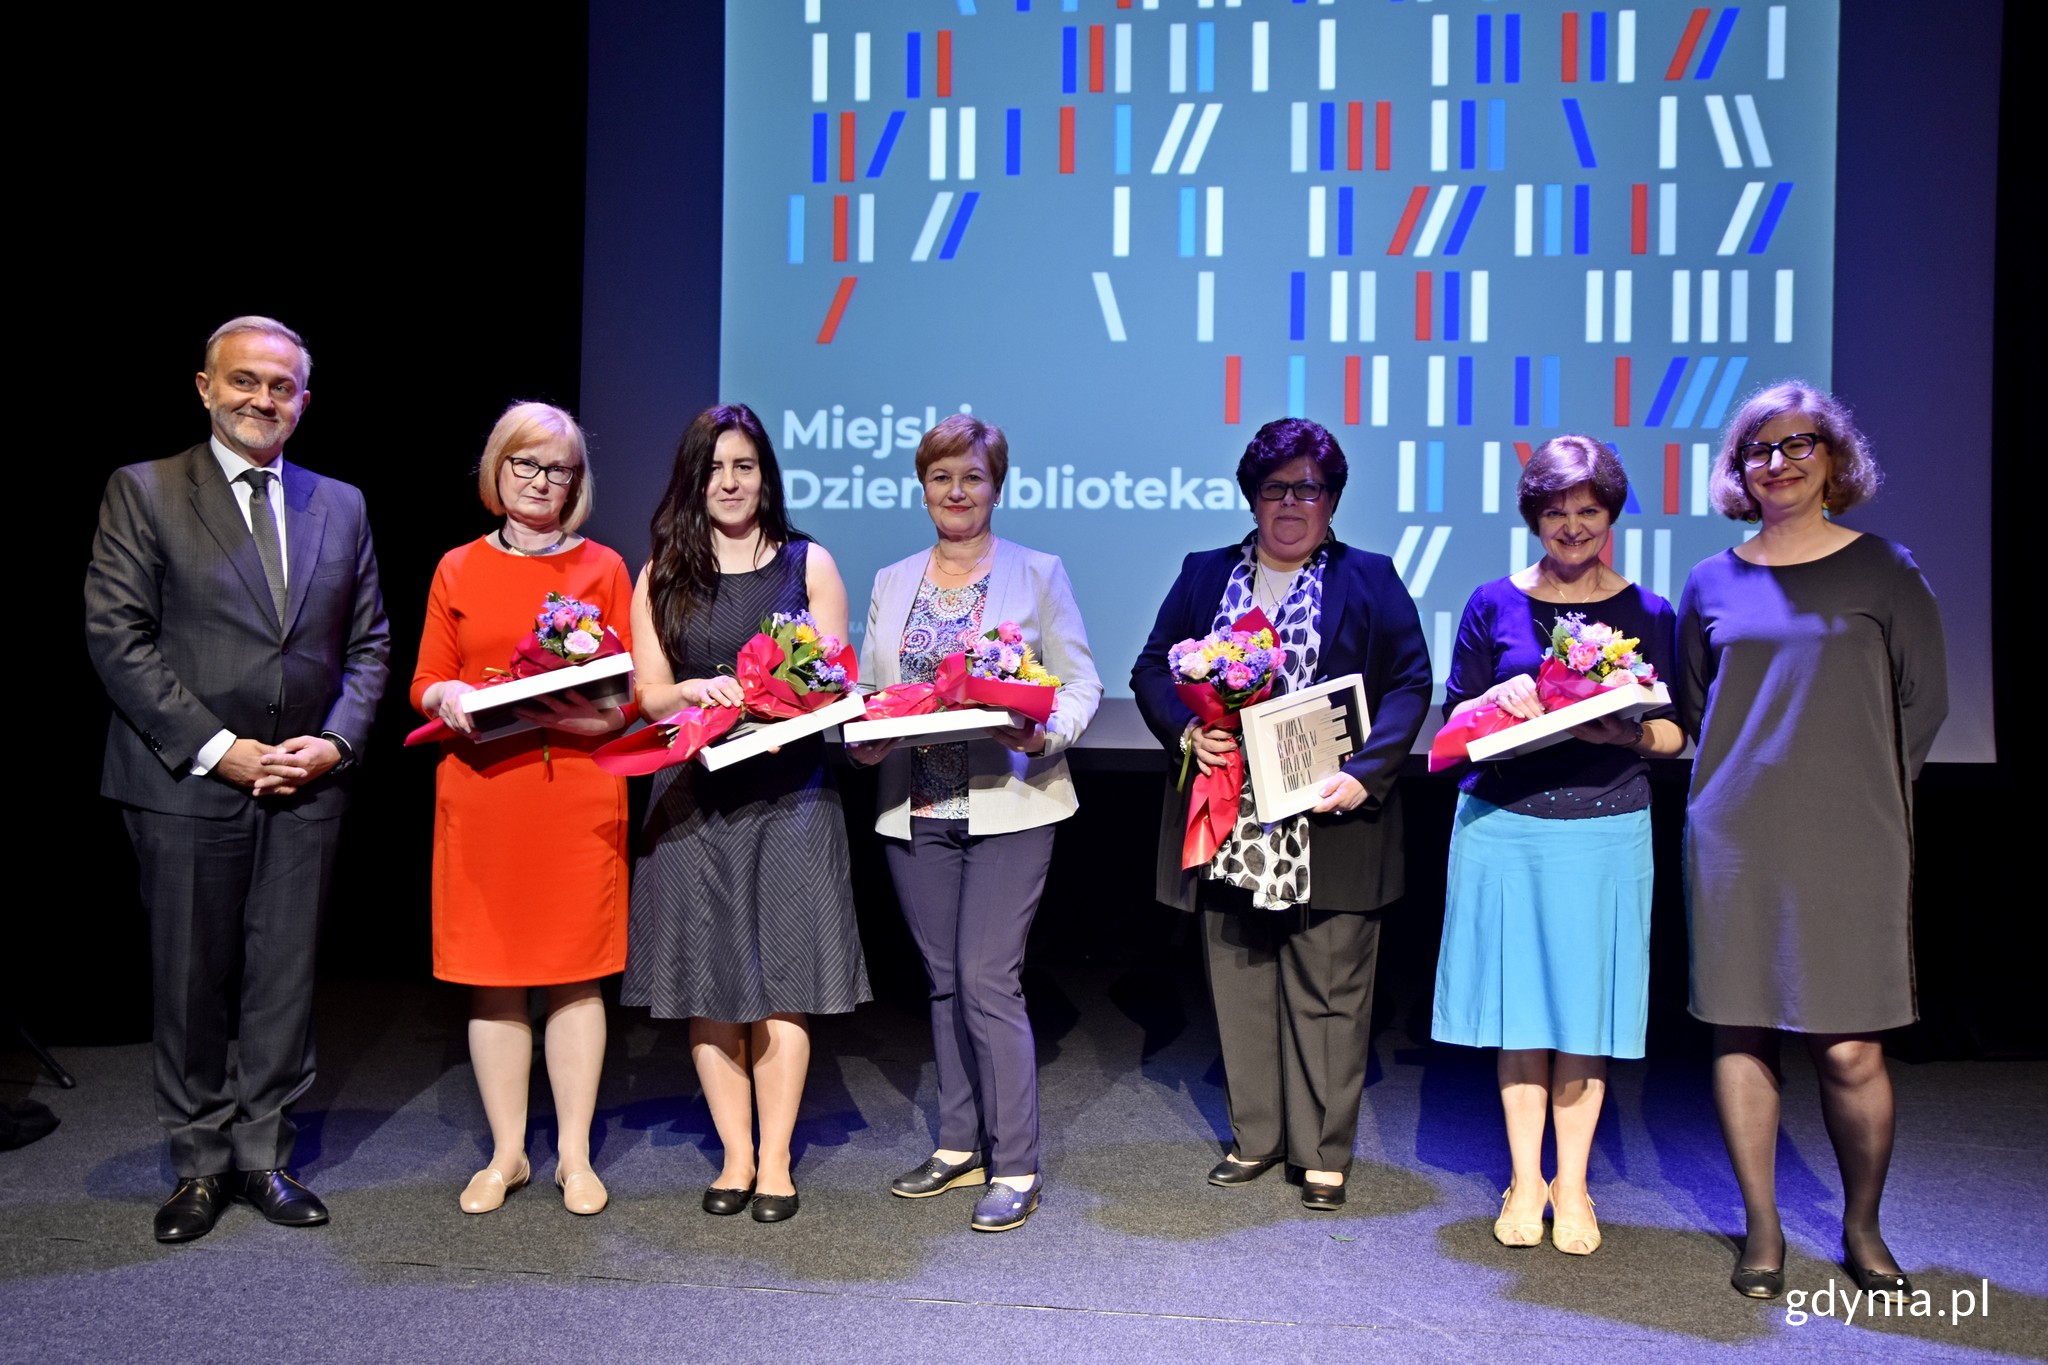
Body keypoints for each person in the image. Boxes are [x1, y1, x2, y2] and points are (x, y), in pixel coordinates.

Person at [84, 317, 390, 1242]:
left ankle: (263, 1154)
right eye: (245, 382)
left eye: (283, 386)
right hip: (186, 780)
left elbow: (369, 646)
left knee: (283, 981)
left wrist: (333, 745)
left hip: (305, 784)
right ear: (205, 387)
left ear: (305, 399)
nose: (264, 400)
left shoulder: (341, 503)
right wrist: (223, 747)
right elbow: (117, 638)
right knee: (189, 980)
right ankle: (198, 1163)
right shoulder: (144, 490)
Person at [1678, 381, 1947, 1300]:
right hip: (1735, 834)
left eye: (1800, 444)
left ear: (1834, 459)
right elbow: (1694, 702)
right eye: (1759, 447)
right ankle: (1762, 1231)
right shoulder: (1712, 580)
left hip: (1851, 834)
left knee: (1849, 1049)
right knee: (1742, 1033)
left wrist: (1866, 792)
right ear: (1738, 470)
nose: (1779, 460)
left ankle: (1862, 1227)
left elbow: (1925, 703)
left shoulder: (1885, 569)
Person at [1131, 417, 1431, 1210]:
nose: (1292, 503)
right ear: (1252, 497)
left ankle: (1323, 1150)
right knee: (1240, 980)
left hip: (1333, 818)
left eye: (1310, 489)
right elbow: (1152, 665)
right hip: (1230, 814)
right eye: (1276, 488)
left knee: (1330, 986)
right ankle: (1257, 1136)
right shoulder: (1206, 574)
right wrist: (1189, 729)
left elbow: (1410, 682)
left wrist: (1369, 773)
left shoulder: (1370, 577)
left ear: (1332, 501)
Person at [846, 415, 1101, 1233]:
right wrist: (859, 738)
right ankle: (958, 1145)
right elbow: (871, 688)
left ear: (998, 485)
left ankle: (1016, 1161)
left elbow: (1079, 684)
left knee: (989, 978)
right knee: (946, 980)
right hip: (916, 803)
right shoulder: (892, 578)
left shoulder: (1037, 573)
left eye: (972, 478)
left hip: (1011, 800)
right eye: (940, 478)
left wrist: (1042, 730)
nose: (956, 493)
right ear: (923, 487)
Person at [1430, 435, 1684, 1255]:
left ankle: (1572, 1182)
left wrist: (1628, 729)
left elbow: (1680, 733)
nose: (1571, 526)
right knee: (1520, 1011)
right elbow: (1454, 723)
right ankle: (1524, 1176)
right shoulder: (1491, 603)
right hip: (1504, 825)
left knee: (1586, 1011)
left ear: (1610, 514)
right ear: (1533, 516)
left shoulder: (1650, 612)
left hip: (1606, 827)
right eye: (1555, 511)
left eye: (1587, 510)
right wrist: (1498, 702)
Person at [621, 403, 871, 1224]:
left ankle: (775, 1160)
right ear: (693, 480)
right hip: (695, 797)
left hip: (790, 794)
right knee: (710, 985)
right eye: (714, 467)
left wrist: (779, 706)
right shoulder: (662, 569)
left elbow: (837, 684)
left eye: (745, 466)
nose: (730, 482)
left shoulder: (811, 562)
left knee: (783, 983)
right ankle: (732, 1154)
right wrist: (694, 690)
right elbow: (647, 692)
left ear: (766, 475)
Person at [410, 403, 634, 1217]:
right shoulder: (457, 567)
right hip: (484, 792)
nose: (542, 482)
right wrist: (452, 693)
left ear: (577, 482)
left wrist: (567, 714)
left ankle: (574, 1155)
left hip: (574, 791)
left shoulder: (605, 566)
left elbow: (626, 700)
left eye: (559, 470)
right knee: (494, 980)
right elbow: (425, 677)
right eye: (526, 465)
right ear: (497, 469)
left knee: (575, 979)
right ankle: (508, 1154)